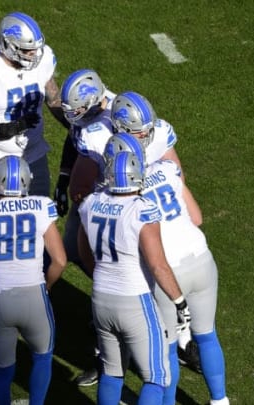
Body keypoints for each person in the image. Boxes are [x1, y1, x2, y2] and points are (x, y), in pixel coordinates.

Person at [103, 133, 229, 405]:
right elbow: (196, 217)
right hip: (200, 257)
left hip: (167, 273)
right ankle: (220, 400)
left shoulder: (119, 195)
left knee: (168, 347)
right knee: (206, 334)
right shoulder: (168, 169)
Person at [76, 150, 191, 404]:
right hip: (135, 300)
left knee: (113, 372)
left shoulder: (90, 203)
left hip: (101, 298)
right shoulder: (142, 210)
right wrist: (180, 302)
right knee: (157, 377)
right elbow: (158, 265)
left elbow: (83, 251)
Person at [109, 90, 202, 372]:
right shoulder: (107, 143)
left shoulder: (157, 134)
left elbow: (180, 181)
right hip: (169, 240)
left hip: (154, 232)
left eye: (148, 129)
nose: (146, 136)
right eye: (139, 132)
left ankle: (176, 343)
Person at [0, 155, 67, 404]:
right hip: (34, 296)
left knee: (2, 372)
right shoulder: (41, 206)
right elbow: (60, 261)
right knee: (42, 358)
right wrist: (46, 287)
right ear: (26, 182)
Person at [54, 68, 116, 386]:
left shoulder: (107, 127)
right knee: (69, 253)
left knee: (109, 283)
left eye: (76, 110)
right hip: (87, 201)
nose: (72, 117)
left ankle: (102, 358)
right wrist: (65, 176)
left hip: (107, 209)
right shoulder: (90, 119)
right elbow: (73, 138)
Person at [0, 11, 67, 198]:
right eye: (27, 51)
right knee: (0, 222)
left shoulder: (43, 60)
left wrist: (76, 126)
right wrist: (13, 128)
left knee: (39, 216)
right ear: (8, 45)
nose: (34, 55)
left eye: (36, 49)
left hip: (34, 154)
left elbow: (53, 99)